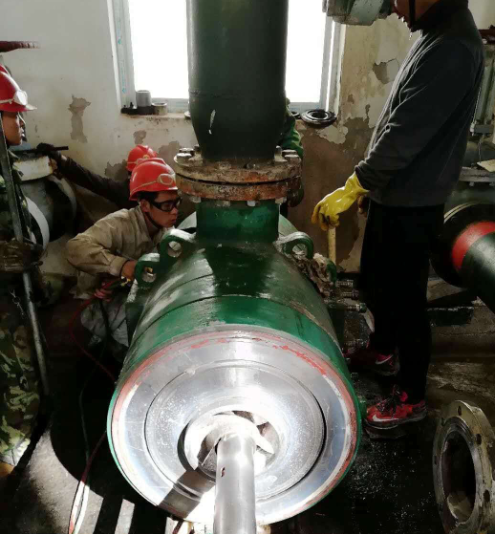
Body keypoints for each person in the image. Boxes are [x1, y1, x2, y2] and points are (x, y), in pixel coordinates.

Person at [312, 0, 484, 429]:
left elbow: (404, 135)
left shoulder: (453, 48)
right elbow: (397, 118)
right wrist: (373, 188)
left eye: (396, 0)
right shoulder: (433, 33)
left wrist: (356, 184)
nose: (393, 11)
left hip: (415, 203)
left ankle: (411, 396)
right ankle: (383, 350)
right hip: (396, 193)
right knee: (376, 283)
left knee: (406, 301)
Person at [66, 157, 179, 354]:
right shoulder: (119, 224)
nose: (175, 211)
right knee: (143, 339)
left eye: (177, 203)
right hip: (99, 304)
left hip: (132, 295)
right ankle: (107, 346)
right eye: (167, 205)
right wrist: (120, 265)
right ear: (145, 205)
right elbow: (74, 248)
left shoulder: (166, 231)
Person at [0, 70, 44, 477]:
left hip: (9, 289)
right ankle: (9, 461)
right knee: (20, 381)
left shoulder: (5, 164)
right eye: (14, 114)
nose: (22, 122)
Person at [37, 143, 158, 210]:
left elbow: (90, 179)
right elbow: (89, 179)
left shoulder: (124, 191)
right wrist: (59, 158)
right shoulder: (123, 191)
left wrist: (60, 158)